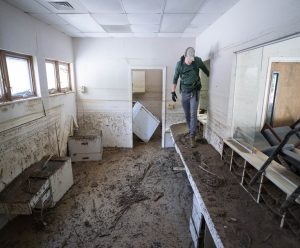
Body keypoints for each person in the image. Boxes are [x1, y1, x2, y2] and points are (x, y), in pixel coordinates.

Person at [171, 47, 209, 148]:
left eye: (192, 59)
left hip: (195, 91)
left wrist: (214, 80)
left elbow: (207, 71)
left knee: (193, 114)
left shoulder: (197, 61)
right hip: (184, 92)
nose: (190, 61)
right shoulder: (179, 65)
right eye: (189, 59)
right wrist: (172, 92)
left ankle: (192, 136)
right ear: (185, 56)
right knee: (187, 114)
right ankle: (191, 129)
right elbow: (175, 79)